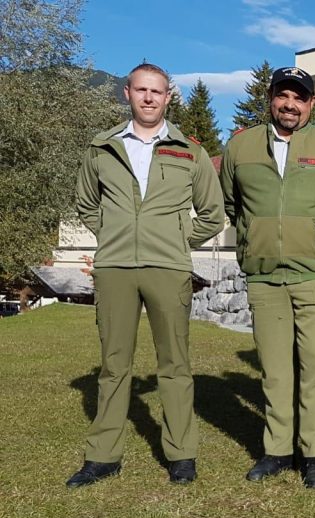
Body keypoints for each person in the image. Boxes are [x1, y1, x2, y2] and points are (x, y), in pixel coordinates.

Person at [69, 63, 224, 487]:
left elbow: (213, 213)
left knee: (174, 364)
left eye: (157, 91)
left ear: (169, 96)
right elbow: (85, 203)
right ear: (127, 93)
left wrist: (175, 237)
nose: (150, 98)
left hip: (168, 267)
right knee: (113, 365)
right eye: (142, 90)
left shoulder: (189, 151)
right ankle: (103, 456)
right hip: (115, 267)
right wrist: (116, 233)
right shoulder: (101, 148)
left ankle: (181, 453)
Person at [220, 67, 315, 489]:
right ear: (271, 98)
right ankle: (277, 450)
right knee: (276, 369)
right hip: (264, 278)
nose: (290, 104)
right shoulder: (240, 147)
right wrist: (257, 239)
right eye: (283, 95)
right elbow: (232, 204)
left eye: (300, 98)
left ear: (312, 104)